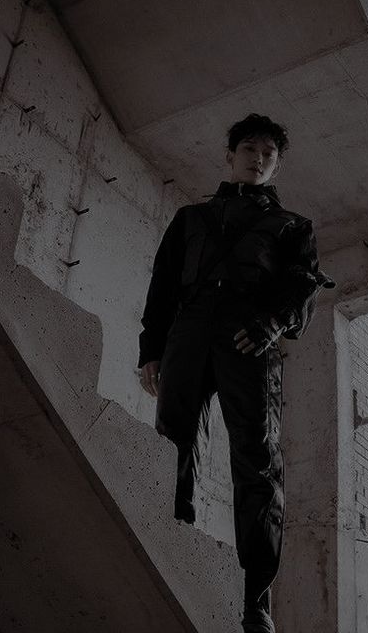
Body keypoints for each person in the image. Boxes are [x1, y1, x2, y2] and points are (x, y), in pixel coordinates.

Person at [137, 113, 335, 633]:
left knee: (257, 459)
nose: (259, 158)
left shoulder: (294, 226)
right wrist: (150, 351)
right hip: (188, 331)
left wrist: (270, 323)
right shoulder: (188, 219)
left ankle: (254, 598)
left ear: (276, 165)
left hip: (249, 338)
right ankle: (171, 547)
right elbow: (161, 287)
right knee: (172, 441)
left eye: (269, 153)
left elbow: (302, 285)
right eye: (250, 148)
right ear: (230, 155)